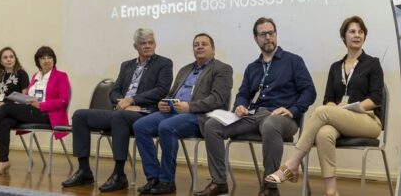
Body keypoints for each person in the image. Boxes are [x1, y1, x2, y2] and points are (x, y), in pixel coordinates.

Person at [264, 16, 383, 196]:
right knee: (323, 133)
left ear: (364, 36)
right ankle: (331, 191)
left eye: (360, 32)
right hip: (340, 120)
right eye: (352, 31)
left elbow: (376, 98)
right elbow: (328, 99)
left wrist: (345, 108)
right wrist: (335, 109)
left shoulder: (372, 63)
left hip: (368, 121)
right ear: (344, 37)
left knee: (321, 112)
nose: (357, 35)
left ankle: (291, 164)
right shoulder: (336, 67)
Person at [197, 17, 316, 196]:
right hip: (254, 115)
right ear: (256, 38)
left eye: (271, 33)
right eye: (263, 34)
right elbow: (243, 94)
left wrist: (292, 110)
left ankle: (270, 187)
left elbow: (309, 91)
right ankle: (219, 182)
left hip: (283, 119)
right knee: (212, 125)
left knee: (270, 124)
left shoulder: (293, 61)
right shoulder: (252, 67)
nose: (268, 37)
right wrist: (240, 106)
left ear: (276, 35)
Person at [62, 28, 173, 192]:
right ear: (135, 46)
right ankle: (84, 170)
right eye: (143, 43)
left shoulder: (164, 63)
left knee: (119, 117)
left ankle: (119, 174)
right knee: (80, 115)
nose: (148, 46)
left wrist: (132, 100)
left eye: (151, 43)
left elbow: (161, 90)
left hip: (146, 112)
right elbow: (114, 90)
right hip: (122, 110)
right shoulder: (127, 65)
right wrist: (122, 102)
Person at [133, 33, 233, 195]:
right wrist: (163, 103)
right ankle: (153, 177)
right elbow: (171, 94)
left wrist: (190, 107)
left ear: (213, 49)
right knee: (140, 126)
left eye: (204, 44)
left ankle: (167, 181)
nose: (199, 46)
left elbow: (218, 99)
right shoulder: (185, 69)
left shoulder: (222, 69)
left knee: (167, 127)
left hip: (200, 116)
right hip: (173, 112)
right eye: (196, 44)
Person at [0, 46, 71, 175]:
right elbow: (29, 96)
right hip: (31, 110)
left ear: (54, 59)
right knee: (4, 121)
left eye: (49, 57)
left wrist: (42, 105)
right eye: (43, 58)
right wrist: (25, 99)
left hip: (46, 114)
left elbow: (63, 101)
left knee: (6, 107)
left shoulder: (61, 76)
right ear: (38, 61)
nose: (46, 60)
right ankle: (3, 161)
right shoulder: (36, 76)